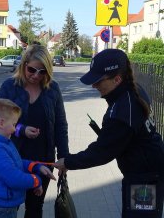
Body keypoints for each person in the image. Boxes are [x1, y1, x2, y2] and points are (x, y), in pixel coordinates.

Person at [54, 49, 164, 218]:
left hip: (145, 182)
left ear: (117, 79)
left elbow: (101, 153)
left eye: (98, 81)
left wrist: (68, 162)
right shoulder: (131, 91)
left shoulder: (123, 110)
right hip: (145, 174)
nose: (94, 85)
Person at [0, 44, 69, 218]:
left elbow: (60, 125)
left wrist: (65, 157)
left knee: (35, 208)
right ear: (24, 64)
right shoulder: (10, 87)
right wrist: (20, 129)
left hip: (43, 161)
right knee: (9, 207)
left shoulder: (52, 89)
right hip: (13, 159)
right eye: (32, 69)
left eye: (42, 71)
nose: (36, 75)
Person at [0, 98, 56, 218]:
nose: (15, 129)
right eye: (14, 124)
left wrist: (36, 166)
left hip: (4, 206)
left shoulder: (4, 142)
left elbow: (16, 162)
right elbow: (14, 178)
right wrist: (36, 180)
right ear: (1, 123)